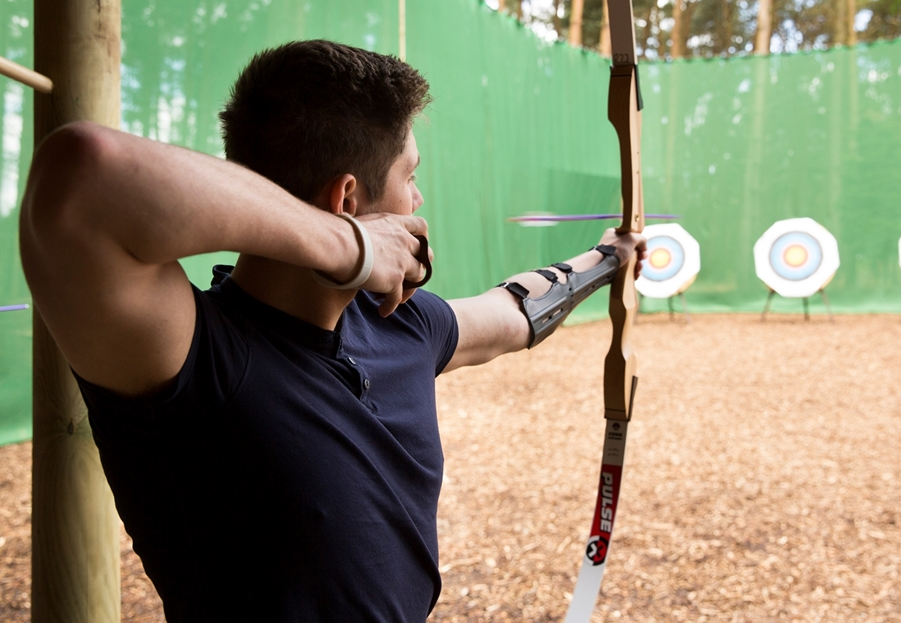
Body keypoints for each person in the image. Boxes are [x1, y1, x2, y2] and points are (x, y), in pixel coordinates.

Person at [19, 40, 646, 622]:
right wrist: (352, 247)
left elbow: (512, 314)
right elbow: (83, 173)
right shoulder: (191, 357)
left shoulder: (398, 324)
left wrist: (606, 260)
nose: (417, 200)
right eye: (409, 176)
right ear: (347, 200)